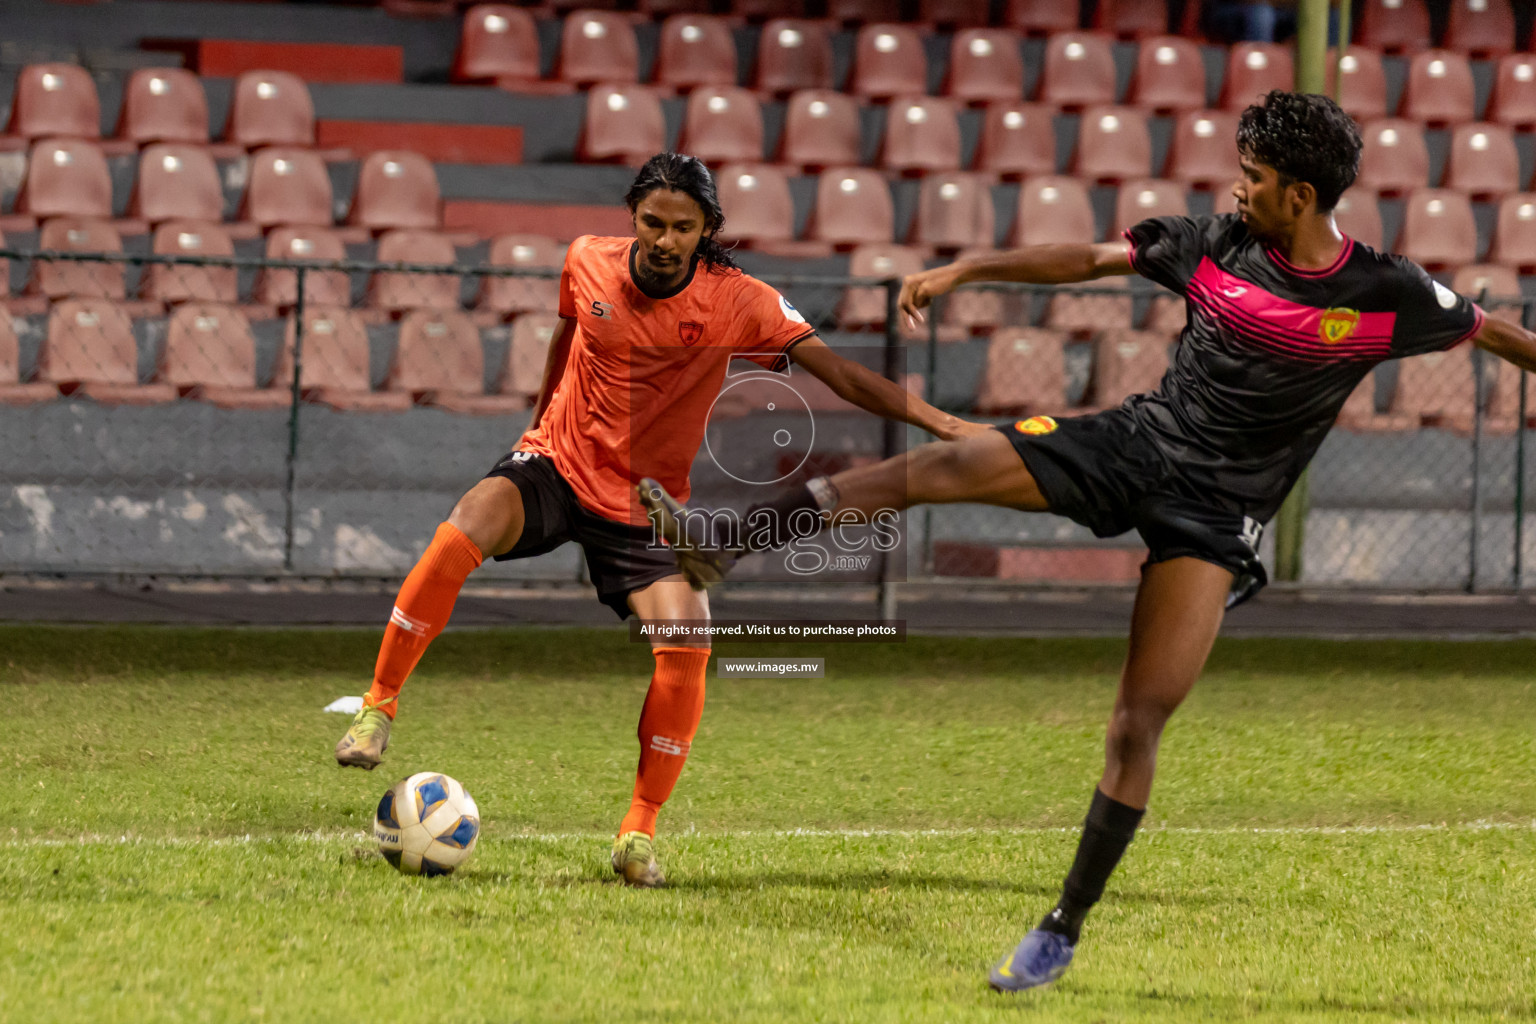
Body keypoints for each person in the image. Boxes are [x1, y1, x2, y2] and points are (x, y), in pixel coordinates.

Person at [638, 91, 1536, 984]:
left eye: (1254, 177)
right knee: (950, 467)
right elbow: (1092, 259)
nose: (1238, 188)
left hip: (1215, 517)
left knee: (1138, 722)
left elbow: (1494, 331)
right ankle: (727, 539)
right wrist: (968, 271)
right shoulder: (1215, 244)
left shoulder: (1386, 292)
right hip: (1132, 446)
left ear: (1300, 195)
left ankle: (1062, 927)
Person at [333, 153, 982, 887]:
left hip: (644, 506)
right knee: (465, 525)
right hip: (559, 464)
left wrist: (945, 424)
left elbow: (843, 375)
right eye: (652, 223)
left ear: (707, 229)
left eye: (683, 227)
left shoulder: (741, 301)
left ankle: (638, 832)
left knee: (688, 642)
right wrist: (535, 427)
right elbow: (566, 336)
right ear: (632, 218)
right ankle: (378, 708)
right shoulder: (586, 261)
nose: (665, 239)